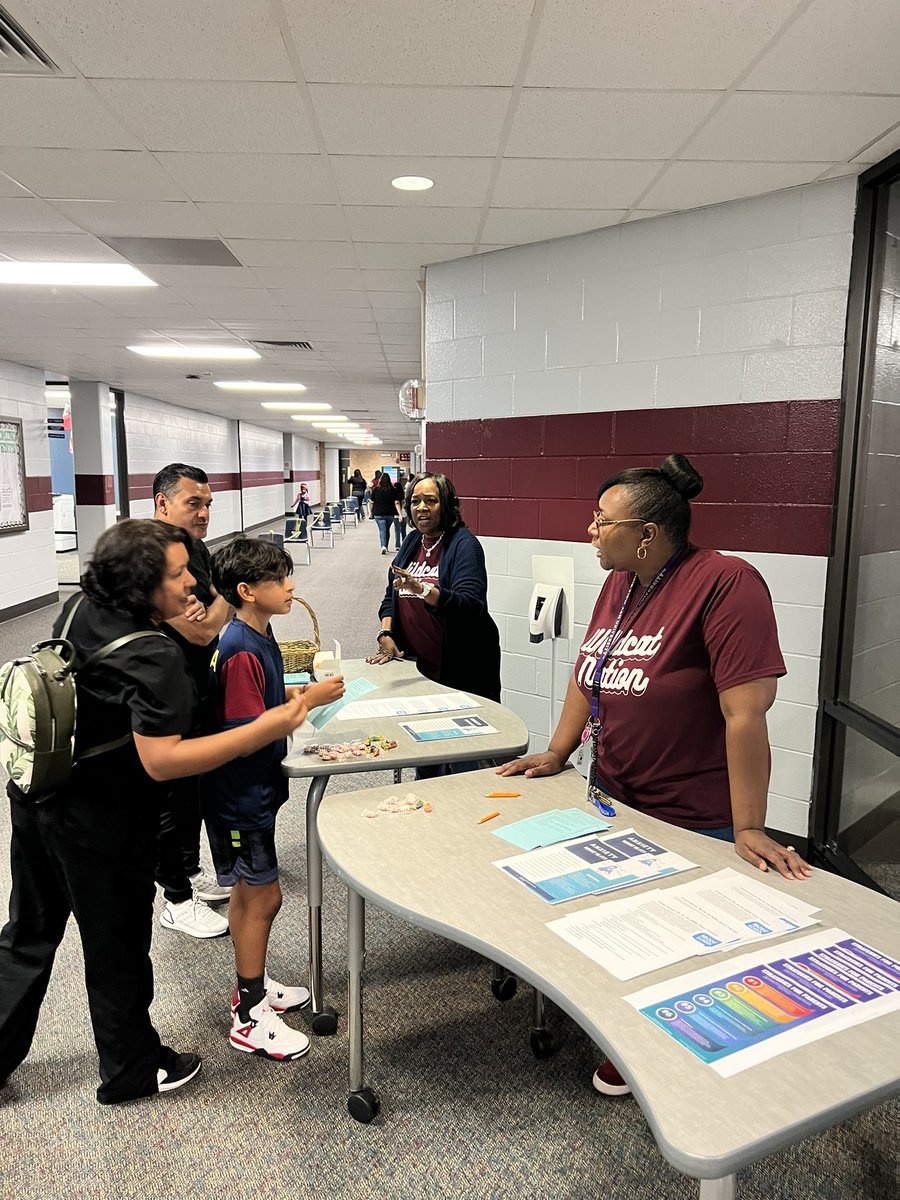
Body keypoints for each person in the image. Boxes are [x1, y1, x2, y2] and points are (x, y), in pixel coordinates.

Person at [496, 453, 812, 1096]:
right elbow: (590, 675)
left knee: (680, 943)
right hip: (616, 792)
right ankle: (616, 1025)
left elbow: (745, 713)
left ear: (647, 533)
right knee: (617, 925)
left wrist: (750, 824)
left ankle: (652, 1059)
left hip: (690, 809)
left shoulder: (727, 582)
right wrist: (558, 752)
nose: (589, 530)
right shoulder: (621, 581)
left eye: (602, 520)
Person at [0, 520, 318, 1105]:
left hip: (37, 793)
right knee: (116, 941)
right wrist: (272, 725)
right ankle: (132, 1068)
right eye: (176, 574)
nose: (192, 582)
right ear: (143, 585)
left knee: (27, 931)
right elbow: (165, 762)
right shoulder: (154, 655)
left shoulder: (80, 606)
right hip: (100, 817)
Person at [203, 538, 344, 1059]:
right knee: (264, 897)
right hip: (240, 797)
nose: (292, 586)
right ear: (245, 591)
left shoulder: (259, 635)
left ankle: (251, 987)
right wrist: (307, 700)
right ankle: (248, 1015)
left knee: (247, 893)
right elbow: (248, 730)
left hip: (252, 791)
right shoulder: (239, 647)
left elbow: (261, 698)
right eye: (279, 579)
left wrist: (293, 692)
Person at [153, 463, 233, 939]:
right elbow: (202, 629)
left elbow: (208, 615)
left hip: (194, 686)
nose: (204, 513)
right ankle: (175, 900)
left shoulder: (195, 548)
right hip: (161, 695)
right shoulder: (155, 557)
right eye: (193, 504)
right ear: (162, 504)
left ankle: (189, 872)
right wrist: (223, 599)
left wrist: (215, 603)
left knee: (193, 793)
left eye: (207, 505)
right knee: (170, 797)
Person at [367, 471, 501, 702]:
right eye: (415, 501)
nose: (421, 507)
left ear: (446, 505)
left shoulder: (465, 545)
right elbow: (391, 595)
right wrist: (385, 632)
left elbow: (471, 606)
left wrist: (422, 590)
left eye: (431, 500)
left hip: (458, 668)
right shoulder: (412, 541)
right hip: (414, 667)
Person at [370, 471, 404, 554]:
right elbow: (396, 502)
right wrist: (400, 514)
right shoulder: (393, 490)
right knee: (387, 529)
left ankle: (383, 546)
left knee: (382, 530)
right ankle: (386, 546)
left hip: (378, 513)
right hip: (390, 514)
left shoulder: (376, 490)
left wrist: (371, 512)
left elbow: (371, 502)